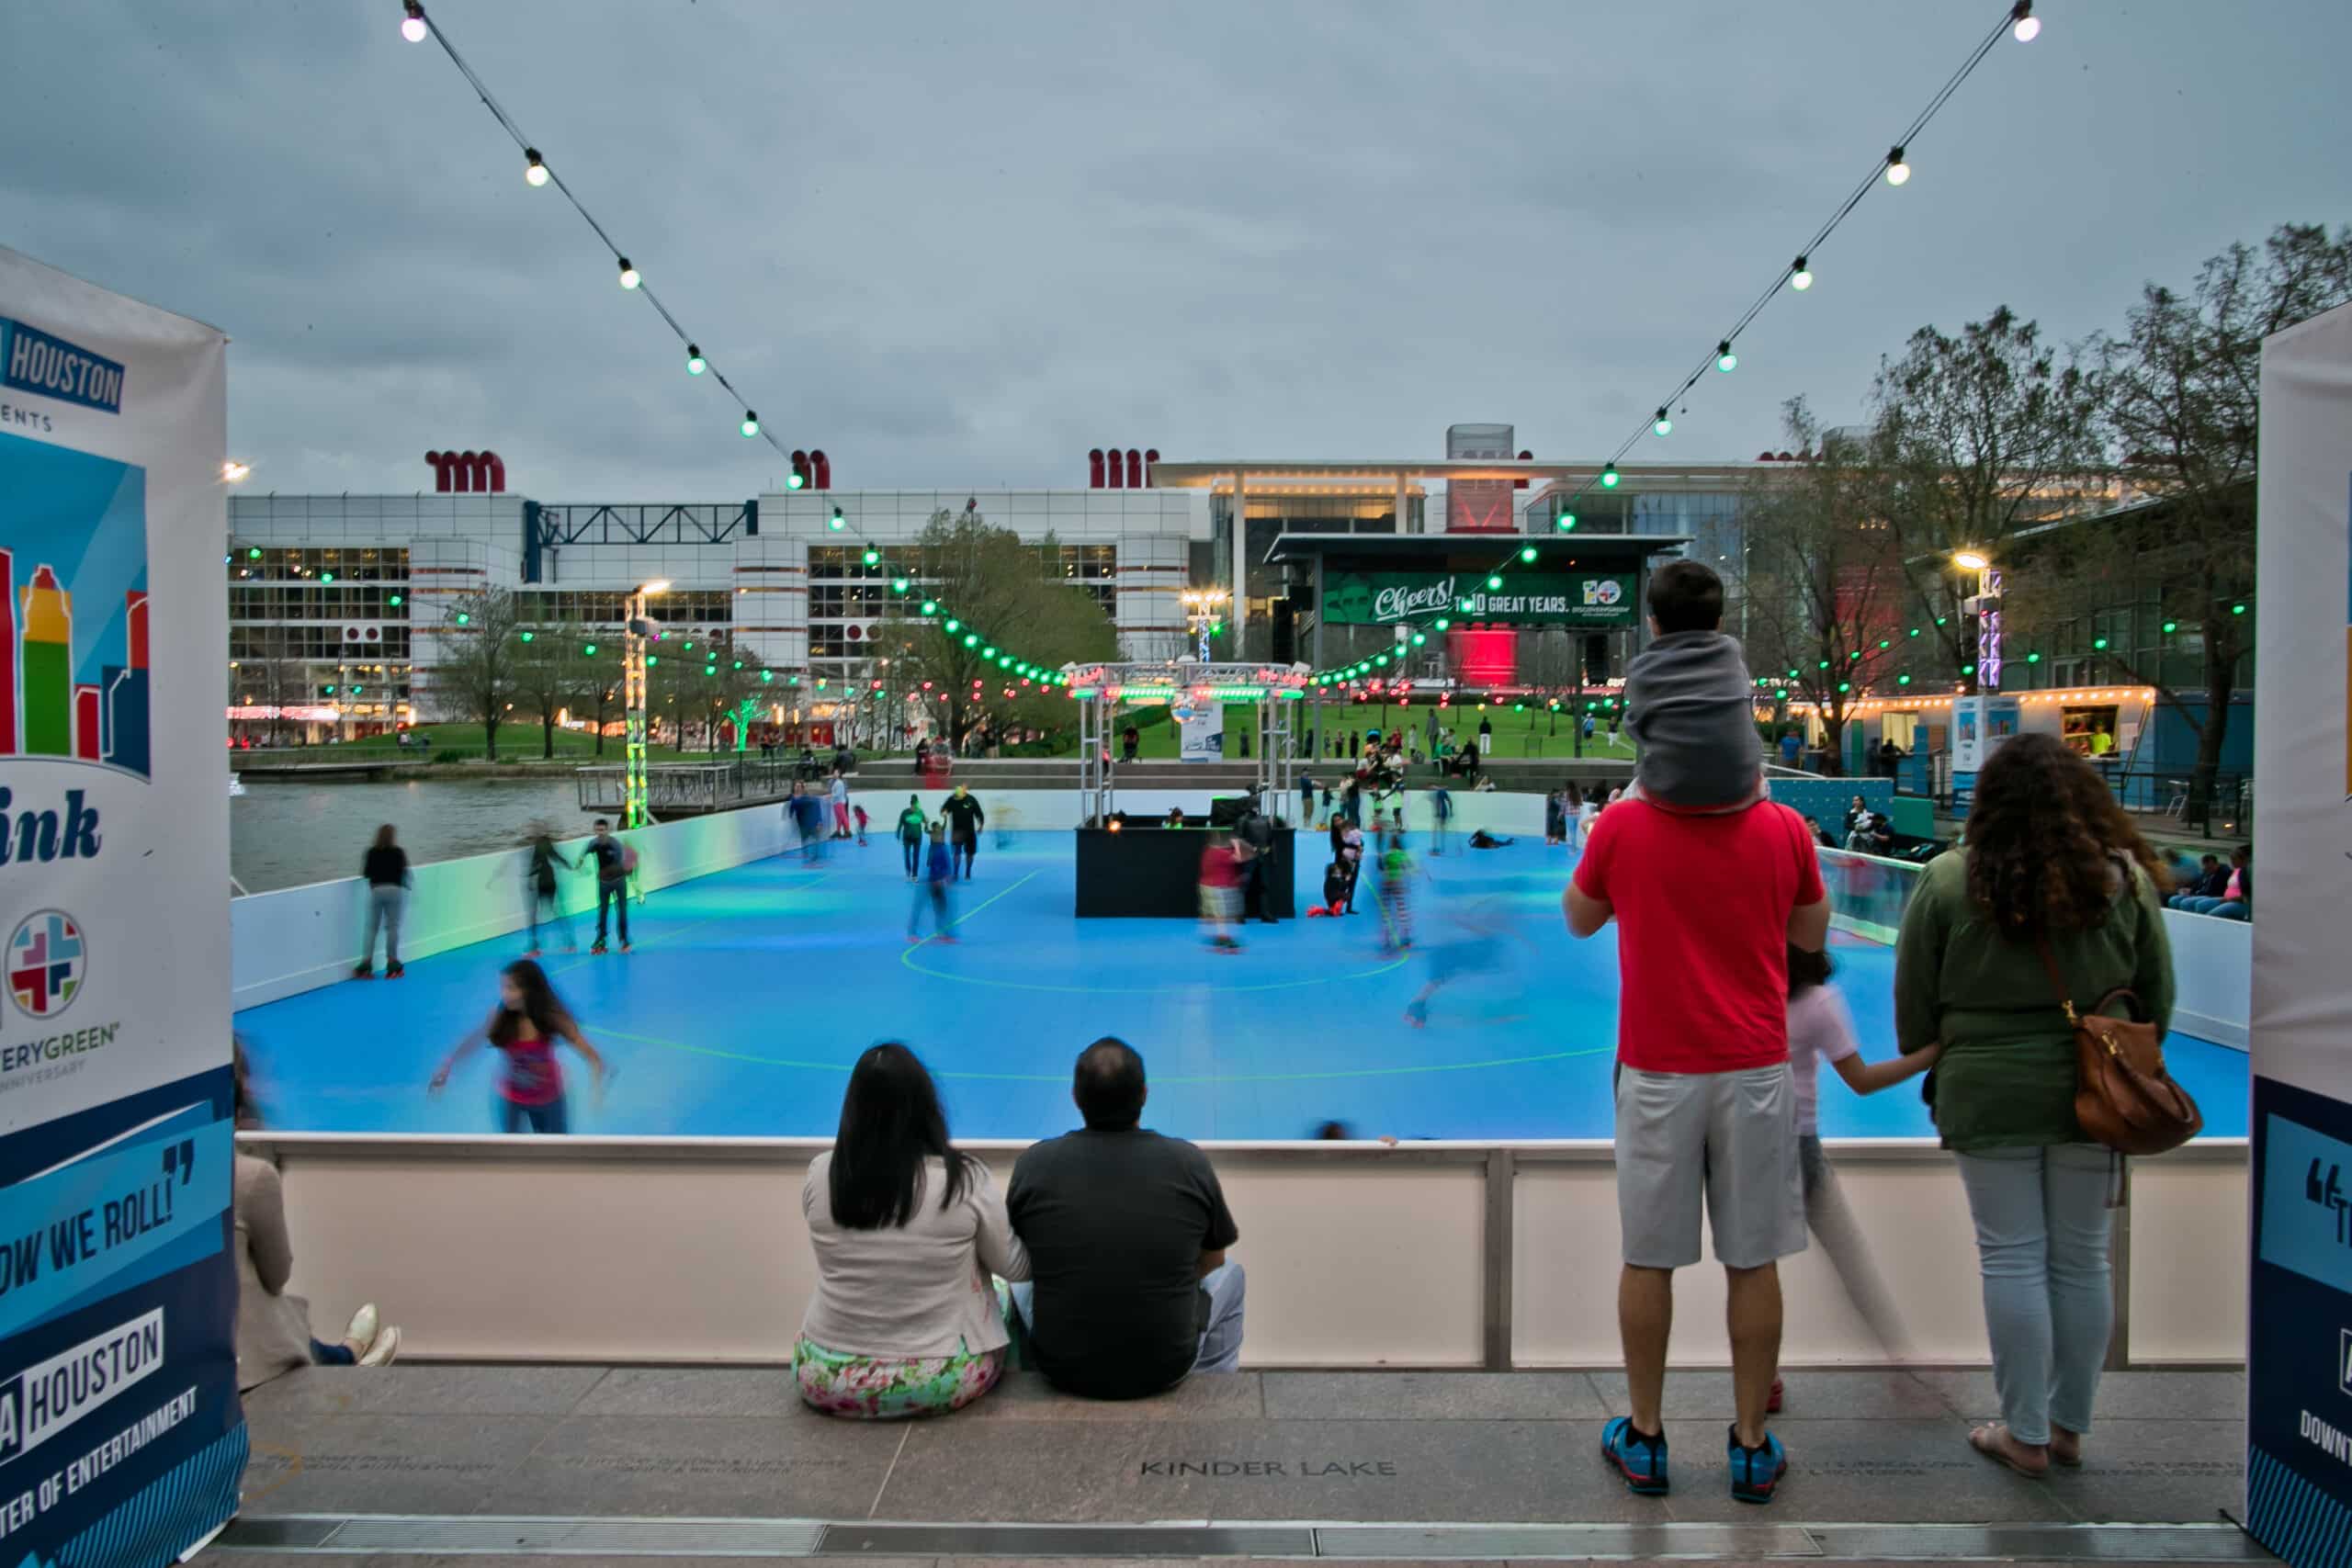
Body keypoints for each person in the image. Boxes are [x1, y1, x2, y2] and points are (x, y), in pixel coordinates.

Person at [1893, 732, 2175, 1479]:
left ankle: (2023, 1431)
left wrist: (1945, 1047)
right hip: (2095, 1089)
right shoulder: (2123, 881)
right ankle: (2067, 1425)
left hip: (1987, 1089)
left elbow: (1913, 1002)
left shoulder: (1950, 879)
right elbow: (2158, 994)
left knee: (2011, 1254)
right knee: (2081, 1256)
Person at [1566, 766, 1829, 1504]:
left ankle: (1646, 1436)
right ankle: (1750, 1444)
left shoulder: (1624, 823)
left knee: (1648, 1257)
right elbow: (1811, 929)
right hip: (1753, 1063)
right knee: (1754, 1259)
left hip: (1656, 1065)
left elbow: (1579, 916)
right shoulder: (1781, 827)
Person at [797, 1043, 1029, 1417]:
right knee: (1003, 1293)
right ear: (926, 1106)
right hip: (936, 1379)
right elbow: (1015, 1268)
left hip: (825, 1377)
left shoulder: (822, 1172)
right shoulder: (963, 1179)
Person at [1008, 1039, 1245, 1398]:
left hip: (1061, 1367)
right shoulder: (1188, 1163)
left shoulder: (1034, 1164)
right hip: (1165, 1366)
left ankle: (1024, 1384)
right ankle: (1213, 1389)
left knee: (1015, 1285)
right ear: (1145, 1094)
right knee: (1233, 1276)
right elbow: (1214, 1260)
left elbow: (1018, 1261)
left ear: (1075, 1096)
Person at [1777, 943, 1939, 1405]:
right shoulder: (1819, 1002)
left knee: (1751, 1269)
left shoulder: (1750, 992)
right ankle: (1903, 1365)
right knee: (1847, 1256)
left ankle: (1761, 1375)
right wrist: (1929, 1055)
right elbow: (1861, 1080)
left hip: (1749, 1143)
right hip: (1799, 1145)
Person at [235, 1049, 401, 1385]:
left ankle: (339, 1355)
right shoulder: (248, 1177)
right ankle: (347, 1358)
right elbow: (277, 1275)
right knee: (258, 1292)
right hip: (237, 1355)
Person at [1622, 561, 1762, 811]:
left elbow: (1636, 728)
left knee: (1619, 803)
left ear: (1653, 623)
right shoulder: (1734, 660)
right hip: (1741, 790)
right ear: (1719, 622)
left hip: (1668, 791)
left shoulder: (1641, 673)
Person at [431, 958, 609, 1134]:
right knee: (511, 1153)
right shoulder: (500, 1015)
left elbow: (592, 1056)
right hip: (512, 1100)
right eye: (503, 987)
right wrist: (448, 1064)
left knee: (557, 1152)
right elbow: (475, 1039)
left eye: (511, 988)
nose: (504, 994)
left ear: (529, 990)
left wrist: (596, 1088)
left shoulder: (553, 1018)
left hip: (549, 1099)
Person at [354, 823, 410, 979]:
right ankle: (392, 963)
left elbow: (366, 874)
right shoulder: (399, 852)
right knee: (392, 928)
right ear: (393, 836)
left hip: (376, 891)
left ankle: (366, 964)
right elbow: (404, 873)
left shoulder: (371, 852)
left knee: (372, 929)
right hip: (394, 891)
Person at [521, 823, 574, 955]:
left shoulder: (540, 845)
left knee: (534, 915)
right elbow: (556, 857)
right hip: (548, 882)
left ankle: (535, 947)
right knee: (557, 912)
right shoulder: (545, 844)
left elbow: (535, 864)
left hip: (544, 883)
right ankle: (569, 943)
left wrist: (529, 879)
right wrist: (568, 865)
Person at [582, 818, 632, 953]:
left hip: (619, 882)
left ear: (607, 830)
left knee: (621, 910)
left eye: (603, 830)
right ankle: (601, 938)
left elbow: (621, 864)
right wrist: (580, 863)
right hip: (604, 884)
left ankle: (624, 939)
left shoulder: (615, 845)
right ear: (595, 830)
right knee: (603, 911)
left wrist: (607, 871)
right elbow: (584, 853)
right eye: (598, 830)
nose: (600, 833)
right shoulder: (593, 844)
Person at [909, 823, 956, 942]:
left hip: (937, 883)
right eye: (936, 834)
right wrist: (938, 879)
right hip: (927, 884)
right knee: (919, 907)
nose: (940, 836)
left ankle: (942, 933)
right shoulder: (931, 849)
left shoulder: (943, 848)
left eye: (941, 834)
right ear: (932, 835)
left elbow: (947, 865)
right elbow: (929, 866)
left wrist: (947, 878)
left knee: (940, 909)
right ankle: (912, 933)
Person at [1198, 832, 1245, 953]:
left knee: (1219, 916)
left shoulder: (1208, 852)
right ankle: (1222, 937)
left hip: (1206, 887)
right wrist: (1237, 846)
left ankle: (1221, 936)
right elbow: (1238, 858)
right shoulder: (1222, 854)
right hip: (1217, 888)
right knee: (1223, 916)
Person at [1235, 793, 1277, 924]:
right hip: (1249, 857)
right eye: (1253, 803)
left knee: (1264, 885)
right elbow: (1238, 839)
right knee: (1244, 885)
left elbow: (1271, 839)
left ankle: (1264, 913)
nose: (1255, 806)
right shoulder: (1242, 820)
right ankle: (1240, 914)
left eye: (1256, 803)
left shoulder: (1264, 821)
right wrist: (1247, 850)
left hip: (1263, 856)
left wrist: (1273, 855)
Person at [943, 785, 986, 880]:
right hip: (957, 831)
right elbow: (944, 809)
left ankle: (968, 872)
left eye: (959, 797)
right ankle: (955, 873)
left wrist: (981, 825)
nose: (957, 798)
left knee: (970, 853)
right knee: (957, 852)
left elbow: (979, 813)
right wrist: (944, 812)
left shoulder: (971, 799)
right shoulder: (952, 799)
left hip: (970, 831)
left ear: (964, 794)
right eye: (956, 796)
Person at [893, 795, 927, 879]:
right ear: (911, 804)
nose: (915, 808)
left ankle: (915, 874)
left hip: (917, 837)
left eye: (916, 806)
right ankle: (908, 870)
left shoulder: (920, 812)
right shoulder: (905, 812)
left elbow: (925, 822)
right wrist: (898, 833)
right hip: (907, 838)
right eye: (913, 806)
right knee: (907, 855)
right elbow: (900, 823)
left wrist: (927, 823)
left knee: (916, 856)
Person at [1428, 781, 1453, 855]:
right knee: (1442, 829)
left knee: (1435, 831)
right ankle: (1441, 847)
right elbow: (1450, 802)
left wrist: (1438, 813)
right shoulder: (1443, 792)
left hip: (1440, 812)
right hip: (1445, 811)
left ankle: (1435, 849)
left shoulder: (1437, 792)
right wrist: (1451, 811)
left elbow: (1438, 802)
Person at [830, 770, 854, 840]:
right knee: (839, 818)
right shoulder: (835, 782)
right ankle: (838, 831)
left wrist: (830, 795)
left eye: (836, 773)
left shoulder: (839, 782)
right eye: (833, 773)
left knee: (843, 817)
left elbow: (838, 793)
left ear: (839, 774)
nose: (834, 774)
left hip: (839, 802)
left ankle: (848, 831)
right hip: (836, 802)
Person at [1564, 783, 1587, 852]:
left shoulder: (1567, 794)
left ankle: (1573, 848)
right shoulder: (1578, 793)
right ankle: (1574, 847)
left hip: (1569, 814)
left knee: (1572, 832)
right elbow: (1581, 803)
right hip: (1577, 814)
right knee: (1574, 831)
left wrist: (1561, 813)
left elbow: (1564, 804)